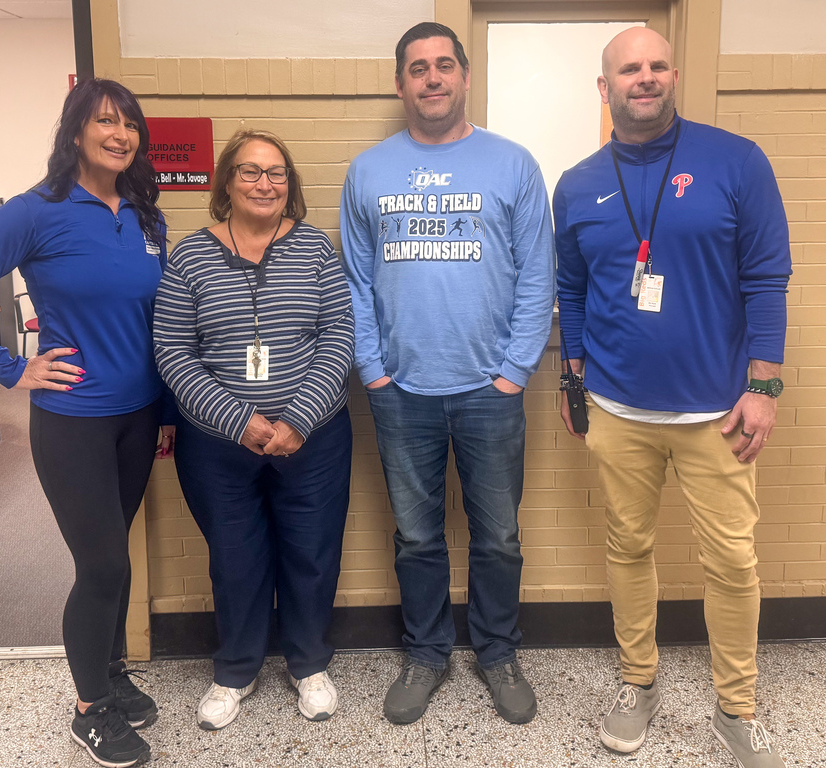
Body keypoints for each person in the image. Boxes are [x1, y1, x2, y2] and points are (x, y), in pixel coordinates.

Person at [553, 27, 791, 768]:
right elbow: (572, 287)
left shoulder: (736, 161)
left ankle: (736, 710)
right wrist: (573, 371)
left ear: (674, 75)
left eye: (657, 66)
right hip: (619, 412)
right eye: (629, 69)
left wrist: (763, 384)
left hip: (716, 414)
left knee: (732, 563)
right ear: (605, 88)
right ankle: (638, 683)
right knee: (628, 547)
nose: (644, 78)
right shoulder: (578, 183)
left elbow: (767, 278)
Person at [0, 78, 173, 768]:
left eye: (129, 124)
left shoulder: (145, 216)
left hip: (139, 414)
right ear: (74, 132)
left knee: (117, 557)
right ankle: (89, 711)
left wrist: (170, 411)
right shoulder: (34, 212)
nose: (119, 134)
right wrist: (11, 369)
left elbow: (160, 324)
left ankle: (111, 672)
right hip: (74, 420)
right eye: (104, 121)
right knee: (101, 564)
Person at [340, 22, 554, 726]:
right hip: (400, 392)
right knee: (417, 537)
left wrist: (515, 372)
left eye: (443, 66)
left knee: (497, 536)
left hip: (490, 391)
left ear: (464, 77)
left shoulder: (512, 164)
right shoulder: (368, 170)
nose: (431, 78)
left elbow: (536, 277)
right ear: (399, 83)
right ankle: (427, 652)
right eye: (417, 68)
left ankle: (497, 651)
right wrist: (372, 370)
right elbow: (354, 281)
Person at [153, 129, 354, 730]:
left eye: (276, 173)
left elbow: (339, 338)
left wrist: (298, 419)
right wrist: (239, 421)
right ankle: (235, 670)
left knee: (311, 553)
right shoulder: (190, 257)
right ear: (226, 184)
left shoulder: (317, 250)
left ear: (289, 185)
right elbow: (172, 350)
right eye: (250, 171)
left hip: (313, 439)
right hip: (217, 446)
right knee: (235, 559)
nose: (265, 183)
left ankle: (309, 664)